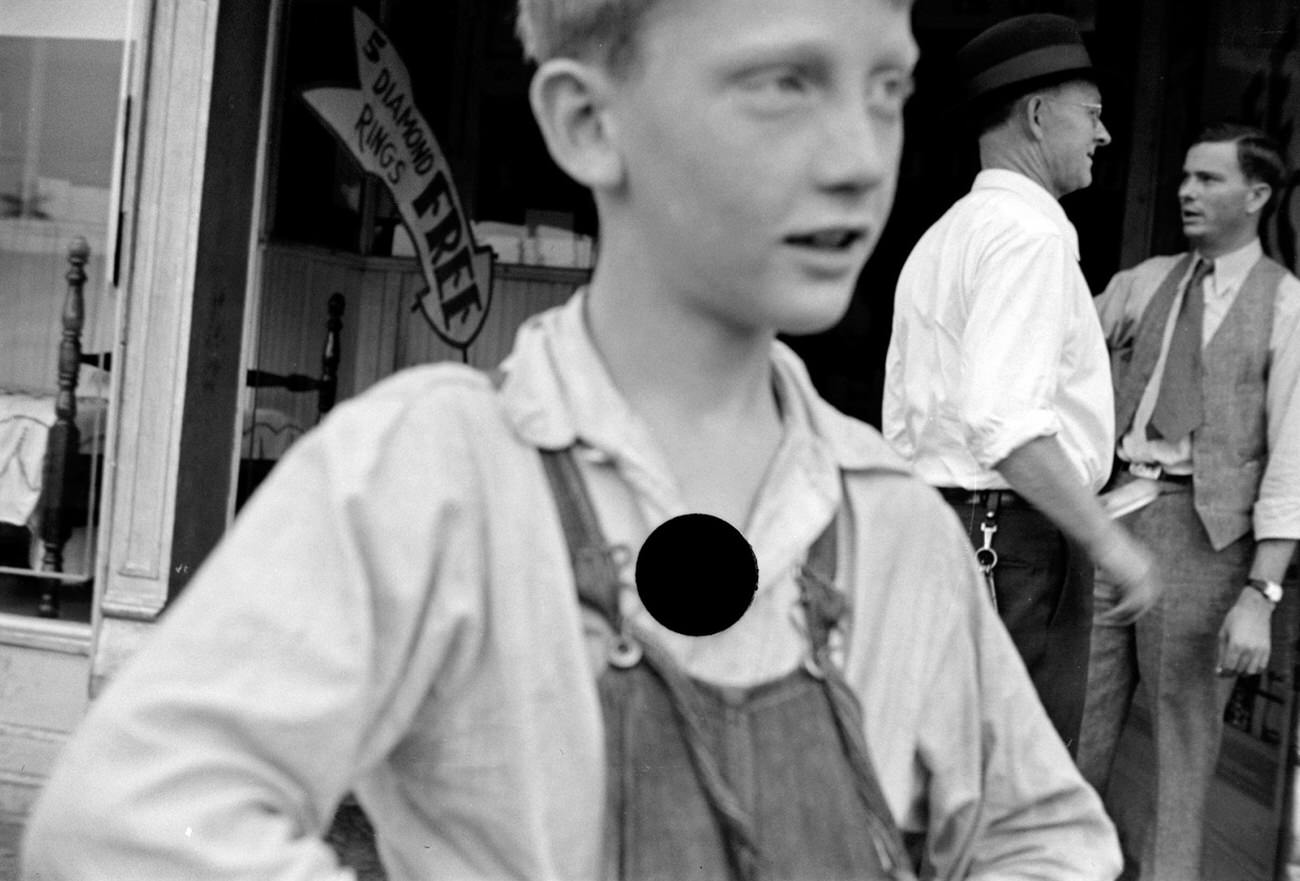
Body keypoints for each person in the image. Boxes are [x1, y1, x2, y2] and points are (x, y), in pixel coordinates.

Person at [22, 1, 1122, 879]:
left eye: (882, 92)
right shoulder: (436, 474)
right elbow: (129, 821)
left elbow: (1048, 838)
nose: (856, 157)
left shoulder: (892, 522)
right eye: (782, 83)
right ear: (587, 122)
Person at [883, 12, 1160, 756]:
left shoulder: (951, 233)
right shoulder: (1029, 236)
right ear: (1038, 117)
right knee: (1013, 782)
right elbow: (1004, 425)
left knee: (946, 771)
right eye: (1093, 115)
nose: (1104, 136)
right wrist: (1110, 542)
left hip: (952, 524)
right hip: (1011, 541)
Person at [1077, 122, 1300, 881]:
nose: (1186, 191)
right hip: (1115, 515)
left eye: (1208, 179)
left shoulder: (1285, 305)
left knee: (1181, 748)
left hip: (1206, 537)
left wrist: (1261, 594)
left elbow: (1293, 462)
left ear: (1259, 194)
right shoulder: (1148, 280)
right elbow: (1063, 346)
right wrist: (1102, 347)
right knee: (1077, 727)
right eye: (1184, 177)